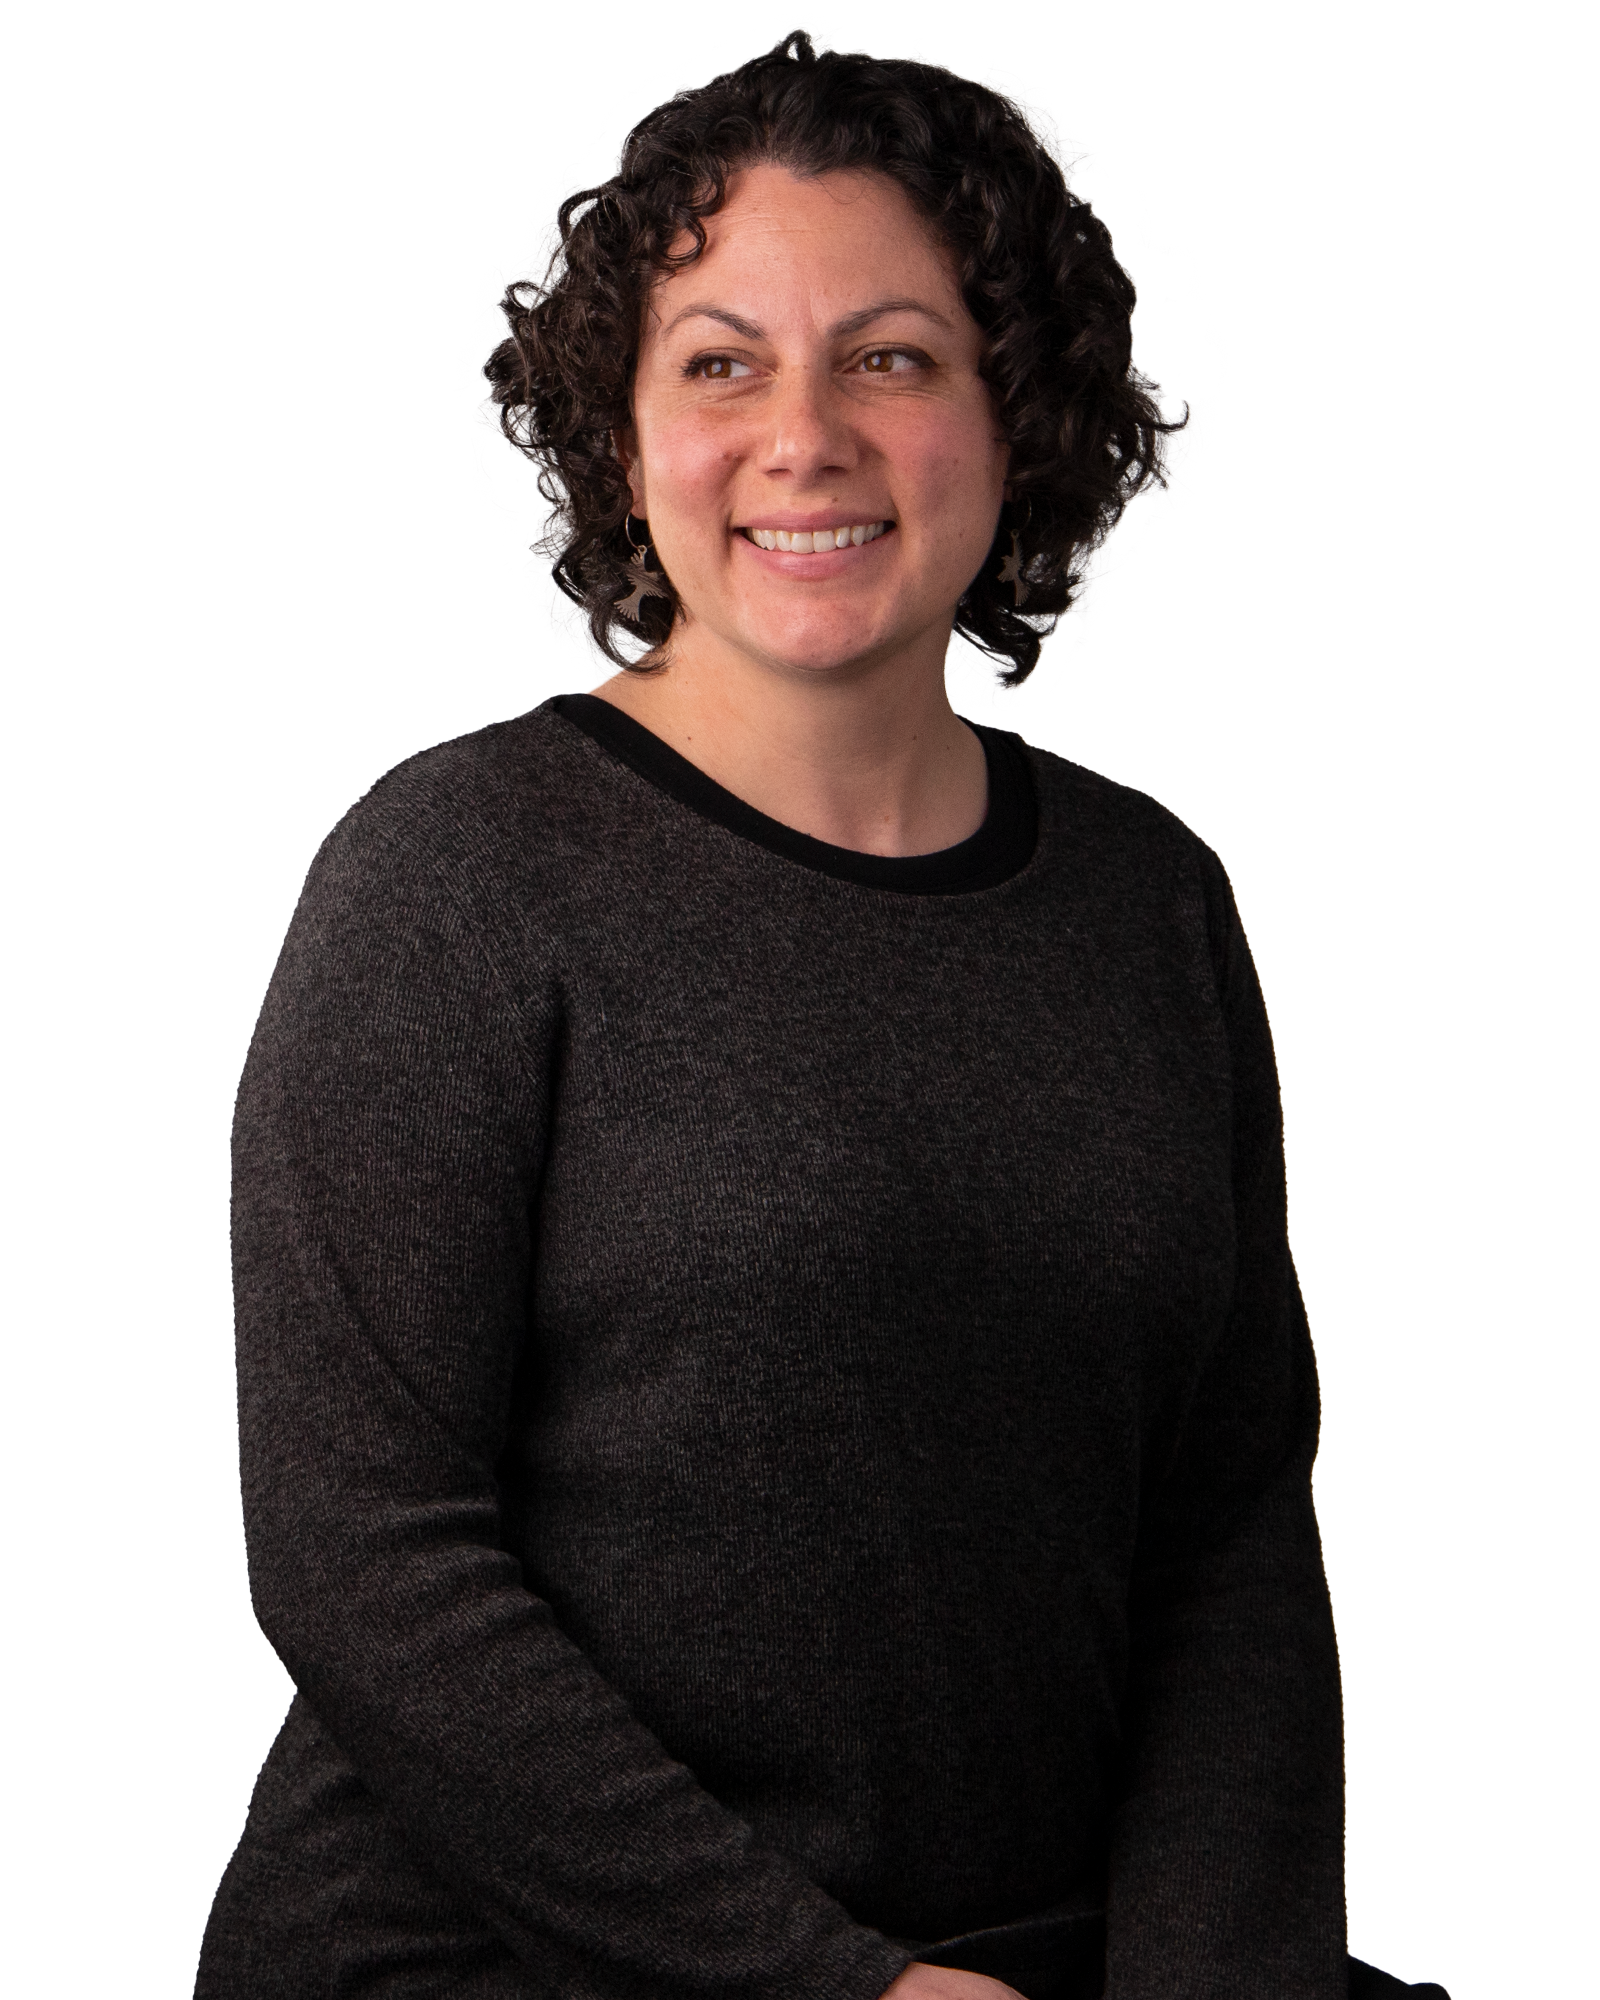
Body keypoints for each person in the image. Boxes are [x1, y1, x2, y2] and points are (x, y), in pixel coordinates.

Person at [197, 31, 1448, 2000]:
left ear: (1010, 416)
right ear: (620, 435)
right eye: (718, 361)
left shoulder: (1147, 909)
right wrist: (831, 1987)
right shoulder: (454, 875)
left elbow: (1222, 1544)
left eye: (888, 354)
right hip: (509, 1956)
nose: (802, 434)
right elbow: (367, 1565)